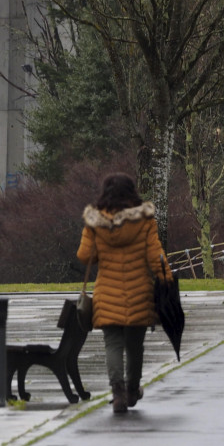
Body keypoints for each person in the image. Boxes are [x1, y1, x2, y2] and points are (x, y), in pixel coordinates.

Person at [76, 172, 170, 413]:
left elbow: (86, 256)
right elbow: (154, 255)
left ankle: (117, 393)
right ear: (132, 191)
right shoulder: (145, 219)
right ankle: (132, 389)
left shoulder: (95, 220)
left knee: (113, 344)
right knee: (135, 345)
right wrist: (166, 279)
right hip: (139, 291)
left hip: (107, 292)